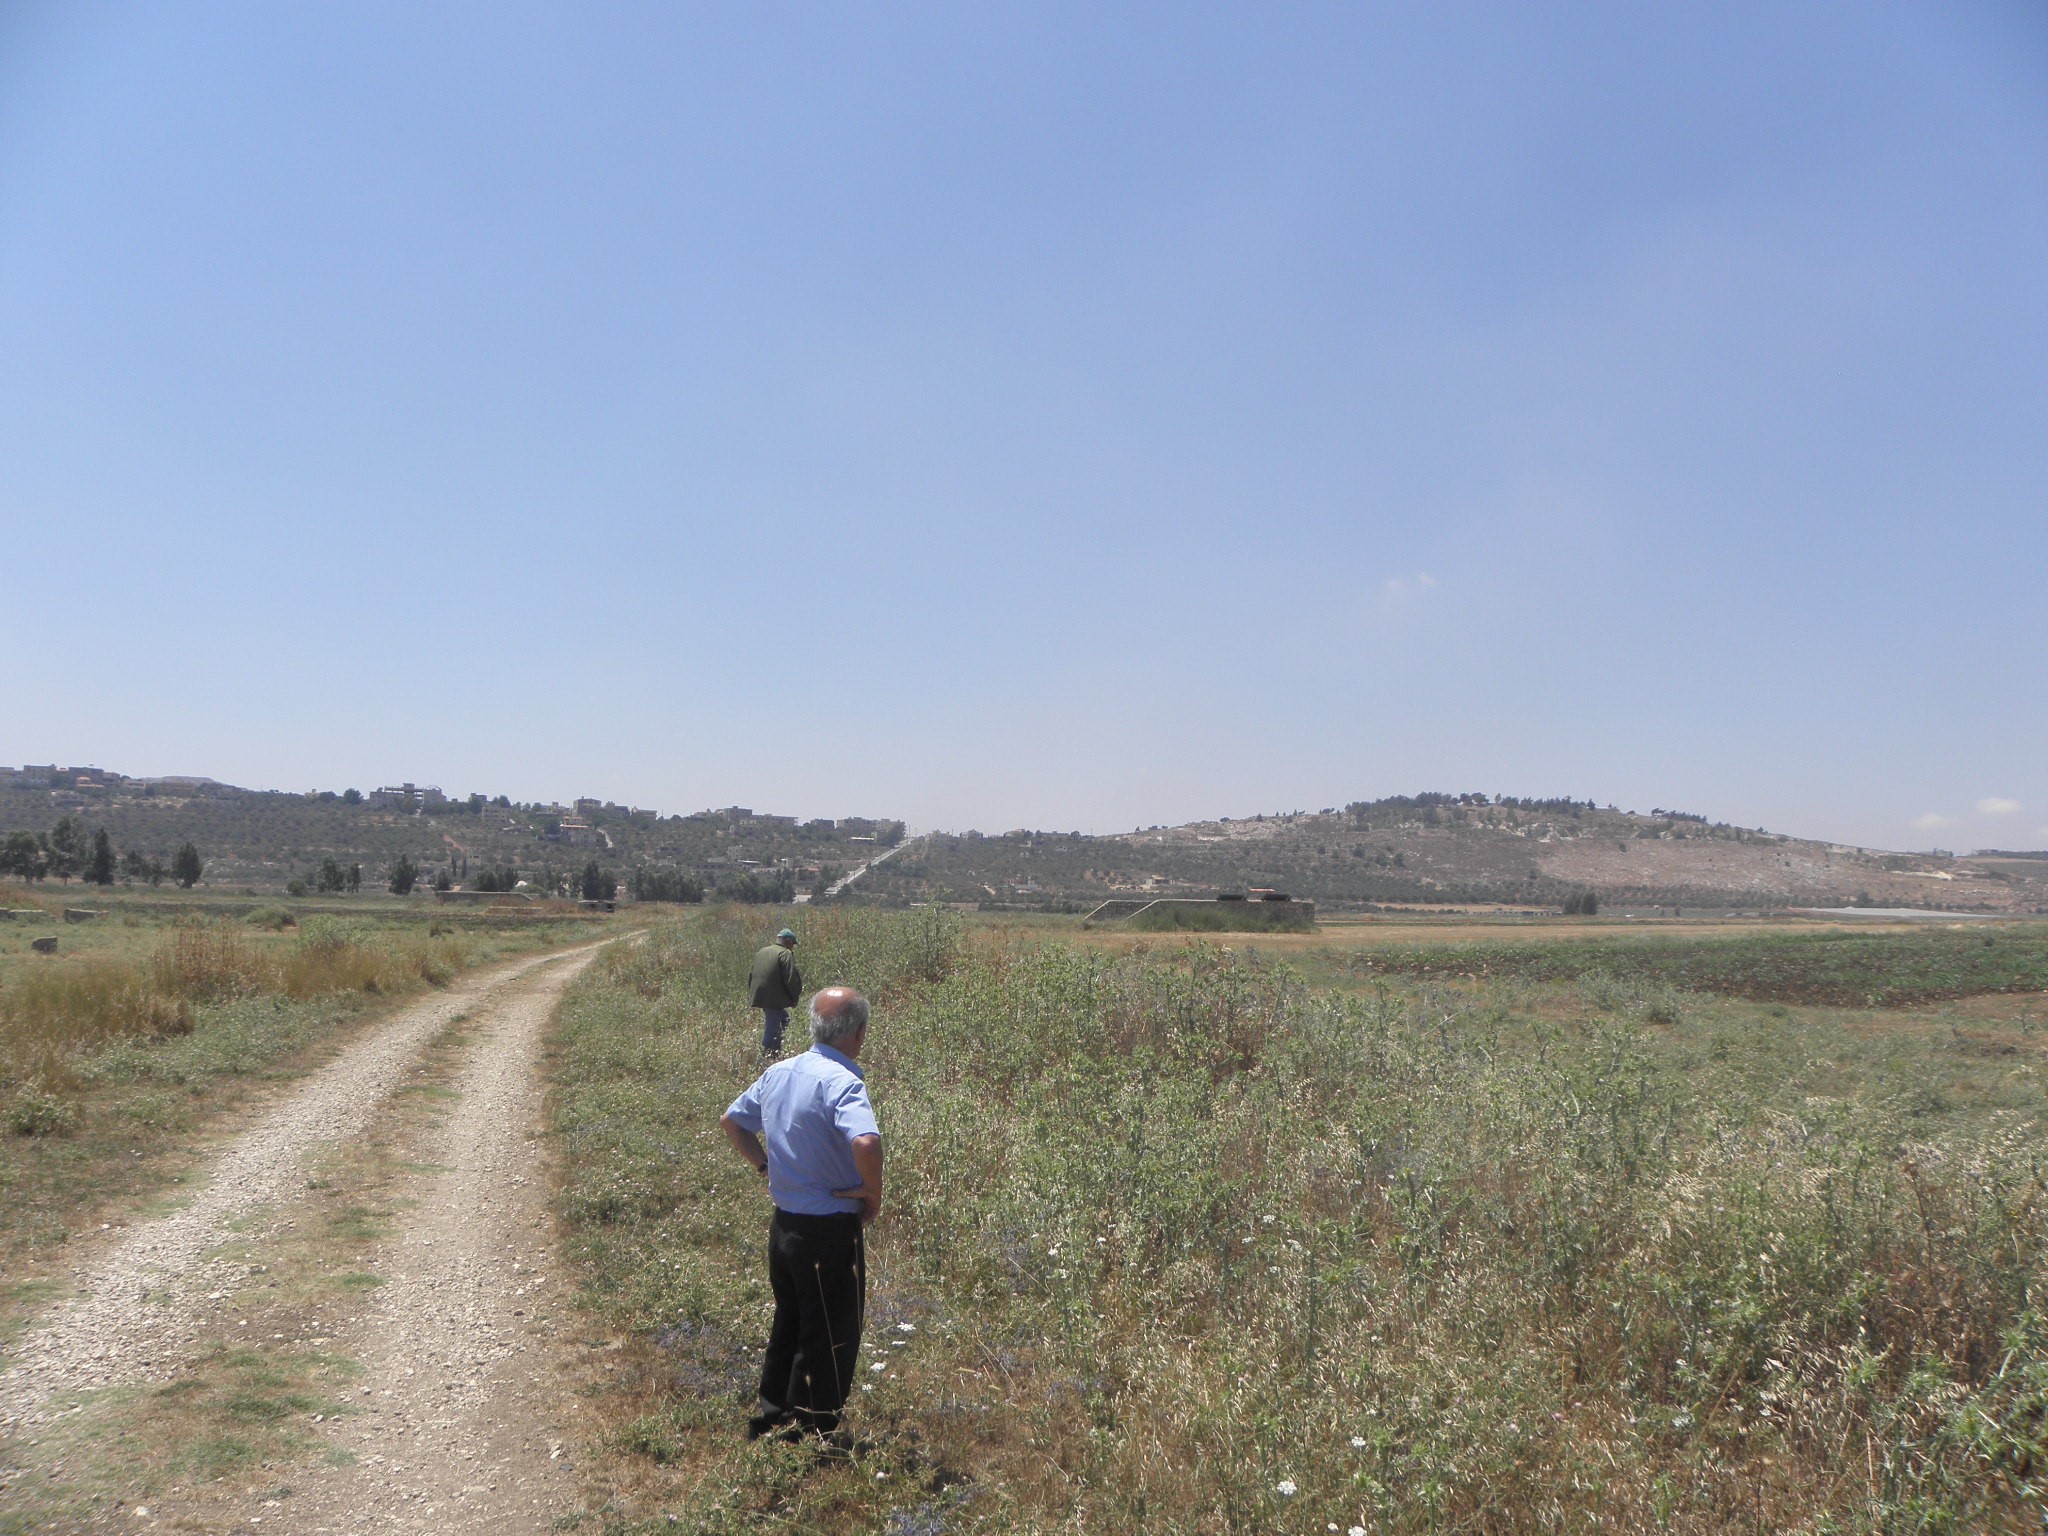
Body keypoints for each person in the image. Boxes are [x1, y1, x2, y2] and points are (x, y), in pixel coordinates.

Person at [719, 986, 883, 1442]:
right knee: (830, 1328)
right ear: (859, 1034)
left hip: (785, 1225)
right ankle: (813, 1428)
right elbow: (866, 1142)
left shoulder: (779, 1072)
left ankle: (774, 1415)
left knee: (790, 1317)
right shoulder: (842, 1082)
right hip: (828, 1229)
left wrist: (764, 1165)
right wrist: (873, 1192)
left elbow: (732, 1121)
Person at [748, 927, 802, 1056]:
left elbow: (751, 974)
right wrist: (794, 997)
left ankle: (775, 1049)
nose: (792, 947)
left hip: (759, 995)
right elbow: (790, 978)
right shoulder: (785, 953)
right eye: (792, 944)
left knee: (784, 1018)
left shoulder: (762, 951)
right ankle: (767, 1056)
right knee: (772, 1027)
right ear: (788, 941)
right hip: (773, 998)